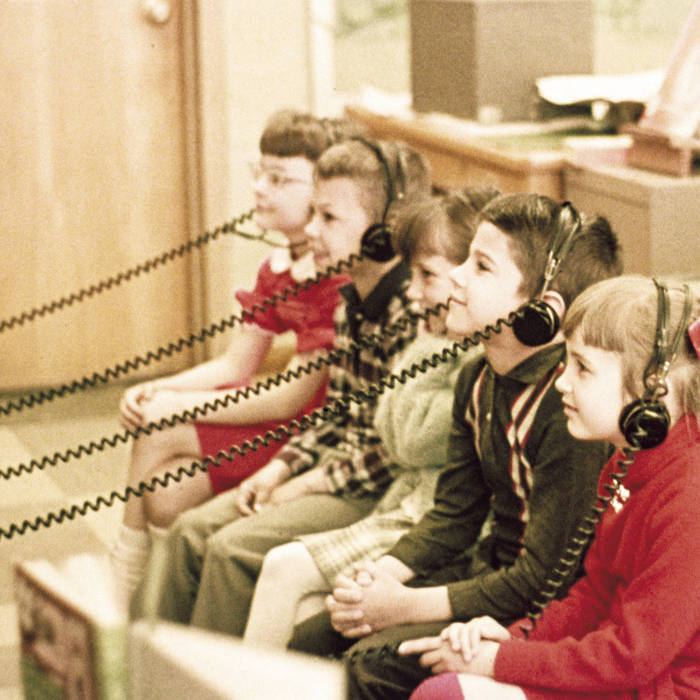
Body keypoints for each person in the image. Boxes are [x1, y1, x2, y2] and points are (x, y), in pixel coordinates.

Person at [288, 193, 623, 699]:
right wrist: (378, 578)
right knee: (310, 641)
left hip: (538, 607)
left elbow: (544, 577)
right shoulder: (477, 378)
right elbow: (454, 513)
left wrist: (404, 606)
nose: (458, 277)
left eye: (481, 266)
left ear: (541, 311)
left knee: (367, 667)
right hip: (488, 572)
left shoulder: (565, 409)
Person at [129, 136, 433, 635]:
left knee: (229, 549)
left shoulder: (411, 315)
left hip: (368, 487)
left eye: (328, 218)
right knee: (189, 531)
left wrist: (305, 484)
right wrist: (280, 468)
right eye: (313, 214)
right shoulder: (351, 301)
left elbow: (391, 454)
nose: (311, 231)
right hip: (329, 468)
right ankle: (146, 661)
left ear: (386, 232)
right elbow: (335, 415)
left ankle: (209, 675)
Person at [402, 275, 700, 700]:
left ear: (655, 387)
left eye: (583, 368)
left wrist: (500, 661)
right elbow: (594, 595)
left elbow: (631, 656)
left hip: (657, 686)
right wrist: (514, 637)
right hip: (618, 670)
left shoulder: (689, 501)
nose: (562, 381)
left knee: (445, 695)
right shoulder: (624, 461)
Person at [110, 109, 364, 603]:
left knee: (158, 434)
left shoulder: (335, 277)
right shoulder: (279, 266)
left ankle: (123, 587)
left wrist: (176, 408)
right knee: (163, 493)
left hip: (309, 433)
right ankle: (152, 594)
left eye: (280, 179)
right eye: (260, 173)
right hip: (277, 416)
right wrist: (160, 389)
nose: (260, 189)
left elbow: (289, 400)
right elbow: (236, 365)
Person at [243, 187, 499, 650]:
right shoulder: (444, 344)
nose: (413, 292)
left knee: (284, 569)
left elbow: (410, 443)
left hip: (439, 529)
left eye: (427, 276)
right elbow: (387, 422)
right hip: (408, 508)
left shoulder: (475, 361)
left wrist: (428, 341)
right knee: (303, 610)